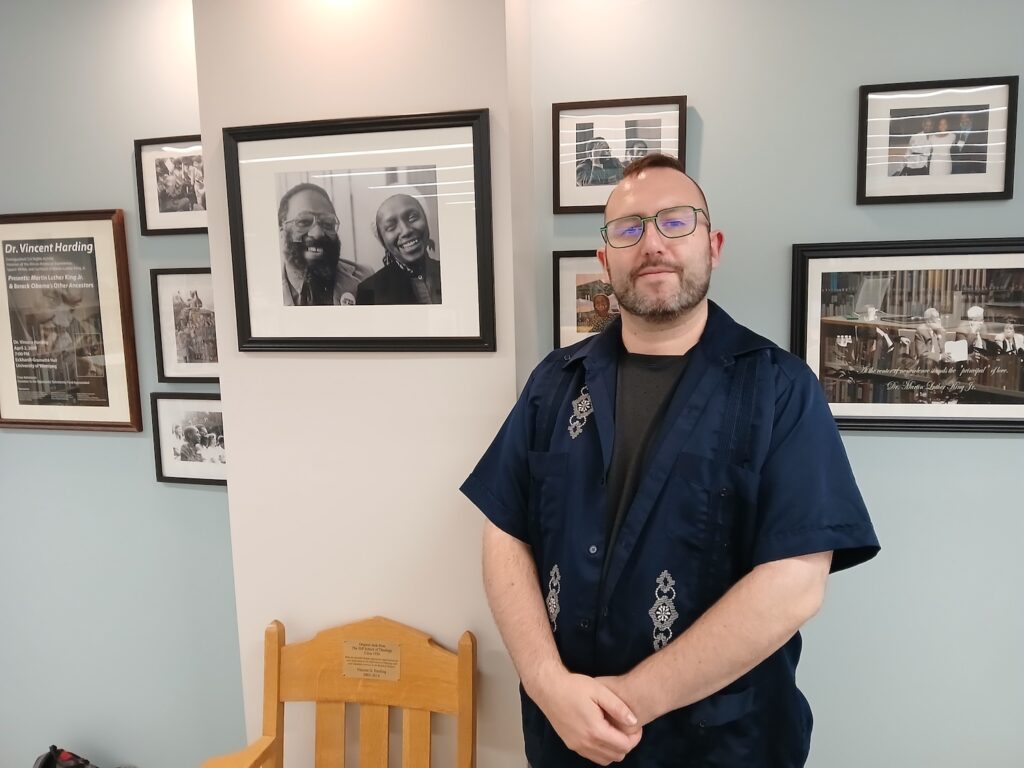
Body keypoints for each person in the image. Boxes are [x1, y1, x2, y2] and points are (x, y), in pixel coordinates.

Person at [462, 154, 879, 767]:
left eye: (675, 222)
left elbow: (795, 583)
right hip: (564, 736)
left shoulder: (780, 388)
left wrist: (624, 706)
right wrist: (546, 682)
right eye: (628, 229)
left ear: (713, 245)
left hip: (723, 746)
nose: (652, 244)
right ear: (605, 259)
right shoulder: (554, 382)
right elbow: (505, 530)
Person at [279, 183, 373, 306]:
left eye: (328, 223)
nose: (318, 233)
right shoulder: (262, 287)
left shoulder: (366, 278)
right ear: (282, 230)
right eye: (304, 222)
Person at [357, 193, 442, 305]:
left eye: (412, 218)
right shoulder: (370, 291)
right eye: (391, 227)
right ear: (382, 239)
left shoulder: (452, 272)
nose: (406, 231)